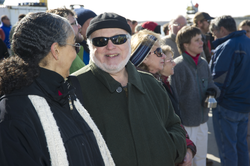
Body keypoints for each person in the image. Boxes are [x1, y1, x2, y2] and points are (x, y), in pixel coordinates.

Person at [0, 12, 114, 166]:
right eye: (74, 45)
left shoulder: (65, 94)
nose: (76, 52)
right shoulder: (15, 111)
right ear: (56, 51)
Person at [72, 12, 187, 166]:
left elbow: (173, 125)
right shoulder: (73, 87)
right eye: (100, 41)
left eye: (118, 39)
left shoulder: (150, 82)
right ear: (89, 45)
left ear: (129, 42)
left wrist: (174, 150)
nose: (110, 46)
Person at [130, 29, 196, 166]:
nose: (164, 57)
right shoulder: (137, 88)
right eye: (159, 52)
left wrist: (188, 147)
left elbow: (173, 120)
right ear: (144, 57)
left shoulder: (160, 81)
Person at [169, 25, 220, 166]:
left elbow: (211, 83)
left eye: (201, 39)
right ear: (185, 45)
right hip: (186, 124)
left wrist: (213, 91)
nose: (201, 42)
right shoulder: (178, 66)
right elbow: (173, 99)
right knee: (187, 160)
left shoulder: (203, 63)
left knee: (202, 158)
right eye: (197, 40)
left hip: (203, 120)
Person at [209, 15, 250, 166]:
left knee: (228, 151)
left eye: (214, 32)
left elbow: (219, 79)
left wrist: (216, 100)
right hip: (244, 106)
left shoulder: (228, 46)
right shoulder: (247, 43)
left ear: (223, 29)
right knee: (241, 147)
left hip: (228, 106)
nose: (214, 36)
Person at [46, 7, 85, 73]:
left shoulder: (75, 51)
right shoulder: (65, 59)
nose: (79, 26)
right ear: (63, 27)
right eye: (75, 23)